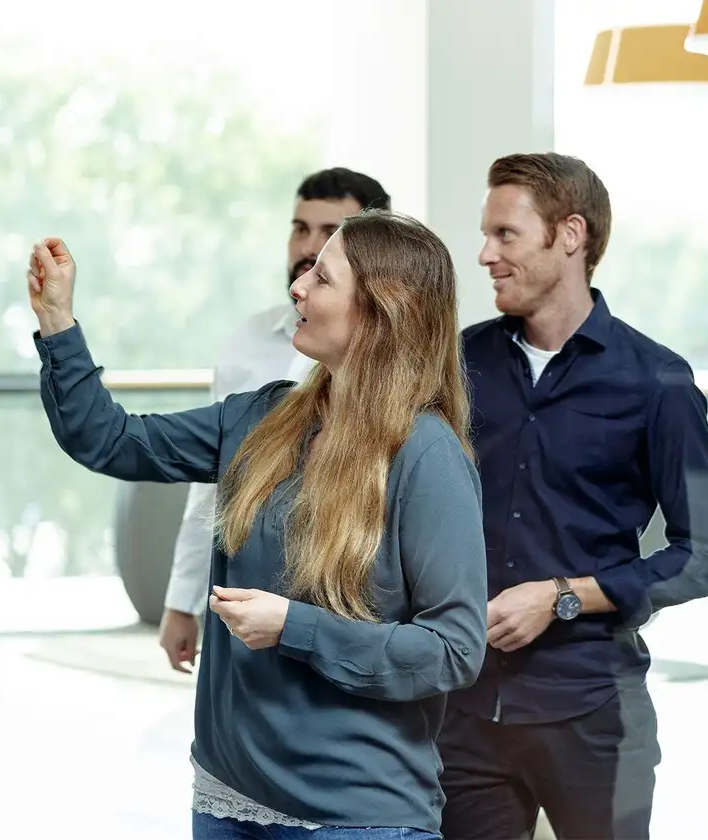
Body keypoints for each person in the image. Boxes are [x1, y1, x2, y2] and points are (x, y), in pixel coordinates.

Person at [26, 209, 488, 839]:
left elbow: (453, 651)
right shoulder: (260, 418)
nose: (298, 287)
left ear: (383, 308)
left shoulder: (426, 457)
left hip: (357, 820)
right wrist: (57, 321)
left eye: (323, 279)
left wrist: (296, 627)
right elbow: (108, 440)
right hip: (228, 802)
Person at [437, 152, 708, 840]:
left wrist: (561, 595)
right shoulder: (459, 364)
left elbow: (705, 556)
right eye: (486, 235)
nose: (484, 255)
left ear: (569, 236)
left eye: (505, 235)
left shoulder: (657, 382)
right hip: (464, 715)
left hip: (595, 716)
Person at [159, 167, 392, 673]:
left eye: (331, 232)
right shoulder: (248, 341)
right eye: (300, 228)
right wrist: (182, 599)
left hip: (346, 620)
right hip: (241, 611)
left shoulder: (392, 368)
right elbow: (213, 484)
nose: (309, 246)